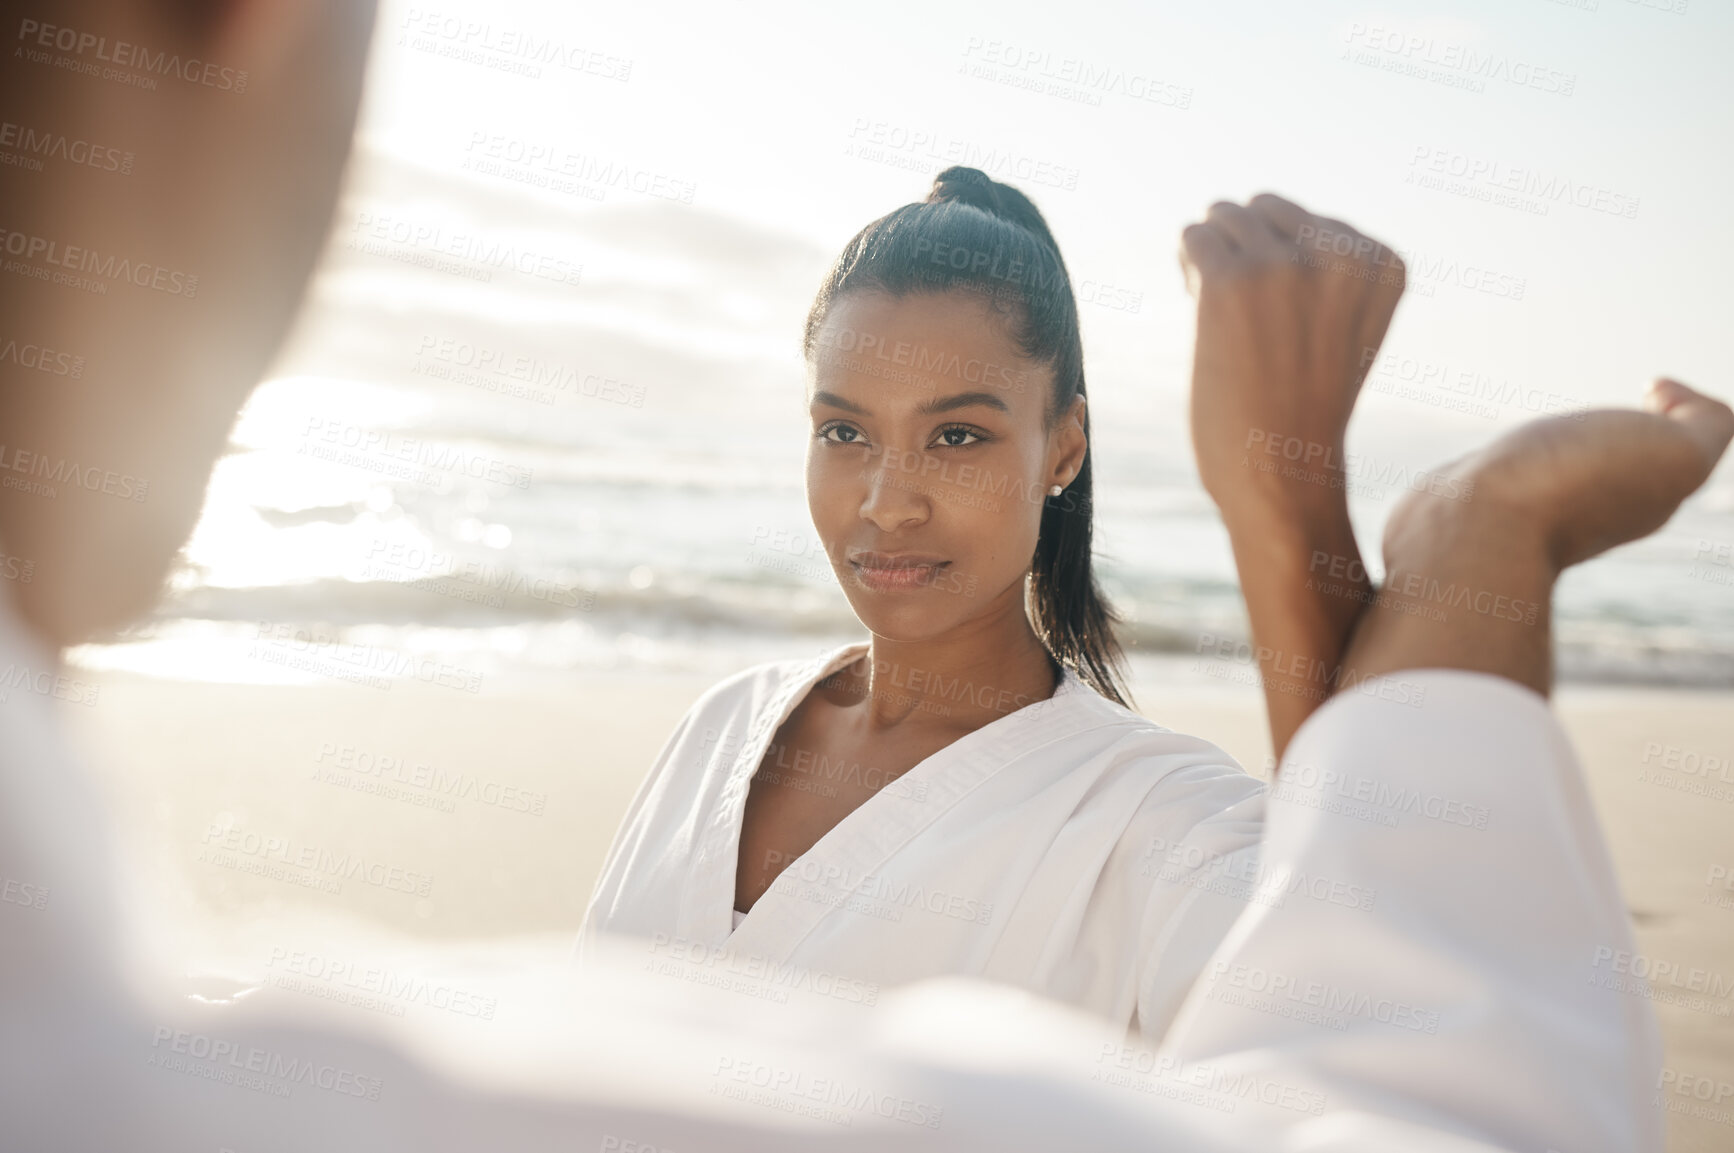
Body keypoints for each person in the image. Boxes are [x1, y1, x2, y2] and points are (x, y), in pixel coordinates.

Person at [2, 0, 1727, 1148]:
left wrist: (1305, 533)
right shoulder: (721, 726)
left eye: (961, 434)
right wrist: (1451, 549)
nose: (885, 500)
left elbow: (1340, 1003)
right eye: (843, 427)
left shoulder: (1160, 818)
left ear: (1065, 446)